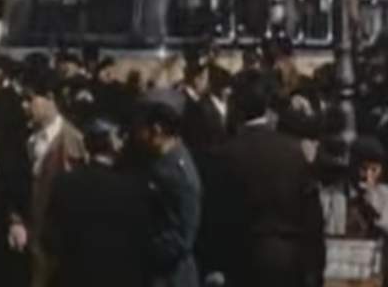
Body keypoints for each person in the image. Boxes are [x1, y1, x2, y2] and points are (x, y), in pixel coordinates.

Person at [200, 70, 325, 287]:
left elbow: (213, 218)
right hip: (289, 263)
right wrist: (315, 270)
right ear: (268, 110)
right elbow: (313, 219)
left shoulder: (222, 155)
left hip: (240, 262)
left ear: (236, 109)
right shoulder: (294, 152)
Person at [44, 117, 150, 287]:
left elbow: (49, 236)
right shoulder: (131, 188)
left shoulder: (65, 183)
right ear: (113, 145)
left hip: (72, 275)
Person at [14, 67, 85, 287]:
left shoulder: (72, 141)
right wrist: (15, 220)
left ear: (50, 98)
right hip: (29, 246)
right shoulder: (25, 138)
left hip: (59, 250)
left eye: (29, 99)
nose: (24, 106)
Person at [132, 90, 202, 287]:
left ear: (157, 129)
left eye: (139, 125)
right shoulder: (154, 161)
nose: (135, 131)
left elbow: (180, 239)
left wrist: (136, 246)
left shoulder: (179, 175)